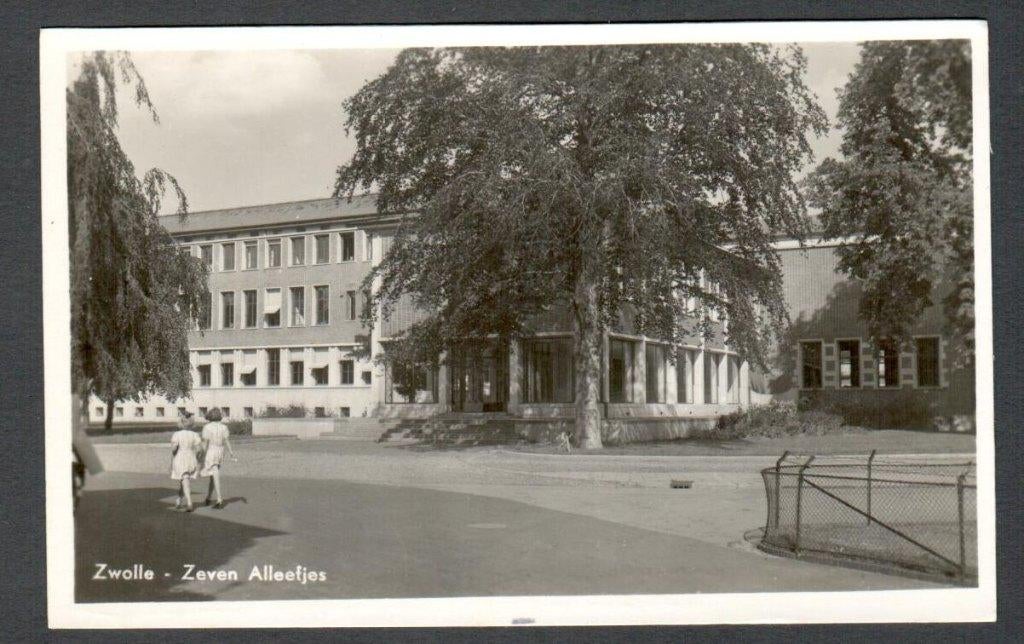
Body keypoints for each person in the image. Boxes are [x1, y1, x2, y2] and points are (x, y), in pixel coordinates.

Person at [200, 408, 235, 509]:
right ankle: (209, 497)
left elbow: (205, 442)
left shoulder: (207, 427)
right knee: (213, 474)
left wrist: (201, 454)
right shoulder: (224, 427)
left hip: (211, 450)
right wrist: (231, 452)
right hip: (220, 451)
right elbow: (226, 440)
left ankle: (219, 499)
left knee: (214, 473)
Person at [169, 411, 202, 512]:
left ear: (181, 423)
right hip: (191, 457)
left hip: (180, 457)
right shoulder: (195, 434)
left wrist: (173, 453)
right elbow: (199, 449)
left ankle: (189, 502)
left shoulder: (177, 434)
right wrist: (196, 458)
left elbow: (174, 449)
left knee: (184, 479)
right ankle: (179, 499)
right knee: (184, 479)